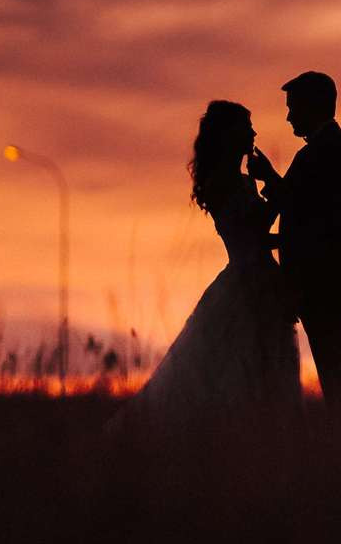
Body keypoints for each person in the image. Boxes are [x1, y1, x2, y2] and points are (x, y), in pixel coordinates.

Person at [121, 100, 299, 430]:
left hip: (262, 279)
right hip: (247, 286)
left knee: (267, 366)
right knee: (237, 368)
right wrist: (274, 187)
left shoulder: (242, 181)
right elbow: (254, 228)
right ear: (230, 134)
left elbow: (258, 236)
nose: (253, 133)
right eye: (246, 127)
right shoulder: (222, 183)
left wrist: (288, 236)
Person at [248, 71, 341, 416]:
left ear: (312, 106)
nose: (288, 116)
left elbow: (305, 210)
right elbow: (306, 208)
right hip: (324, 284)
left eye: (293, 107)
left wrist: (268, 177)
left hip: (322, 284)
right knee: (337, 373)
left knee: (337, 374)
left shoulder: (324, 152)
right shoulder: (329, 150)